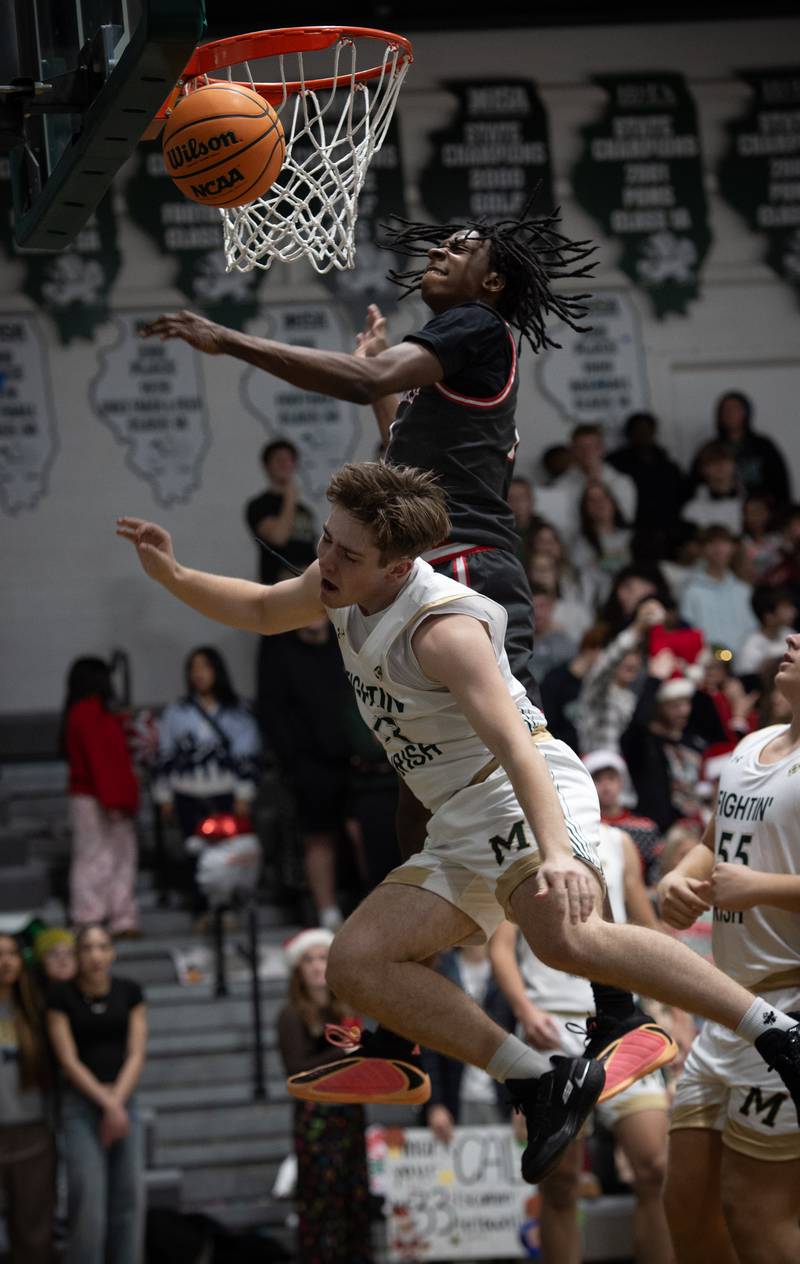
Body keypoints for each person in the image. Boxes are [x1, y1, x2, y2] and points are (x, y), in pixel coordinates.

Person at [118, 460, 800, 1186]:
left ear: (398, 566)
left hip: (519, 788)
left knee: (566, 935)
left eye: (347, 554)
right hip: (461, 813)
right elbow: (257, 608)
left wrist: (559, 855)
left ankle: (777, 1032)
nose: (326, 560)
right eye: (325, 541)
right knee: (357, 962)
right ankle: (536, 1082)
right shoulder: (338, 583)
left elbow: (515, 746)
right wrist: (172, 575)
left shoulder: (443, 630)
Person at [141, 205, 662, 1093]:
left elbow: (358, 380)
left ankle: (615, 1009)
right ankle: (404, 1016)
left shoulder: (471, 327)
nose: (442, 249)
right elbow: (397, 449)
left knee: (511, 758)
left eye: (462, 246)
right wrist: (386, 384)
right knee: (418, 805)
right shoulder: (448, 376)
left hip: (474, 583)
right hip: (443, 567)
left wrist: (229, 341)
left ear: (491, 283)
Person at [658, 646, 800, 1264]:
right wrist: (680, 878)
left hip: (788, 1009)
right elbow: (714, 842)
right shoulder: (752, 744)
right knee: (686, 1209)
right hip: (728, 1004)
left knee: (756, 1215)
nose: (791, 644)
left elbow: (746, 872)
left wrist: (761, 888)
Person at [491, 820, 673, 1264]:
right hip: (549, 1024)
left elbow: (649, 930)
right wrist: (525, 1010)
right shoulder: (518, 835)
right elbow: (501, 946)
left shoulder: (619, 842)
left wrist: (674, 1011)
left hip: (617, 1020)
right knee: (560, 1180)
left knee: (655, 1167)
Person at [259, 616, 369, 930]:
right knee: (319, 838)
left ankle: (372, 901)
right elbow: (273, 712)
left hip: (355, 758)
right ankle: (327, 912)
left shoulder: (344, 645)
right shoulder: (281, 654)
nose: (312, 619)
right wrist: (291, 761)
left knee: (362, 831)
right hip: (308, 764)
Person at [46, 923, 147, 1264]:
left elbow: (136, 1052)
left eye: (103, 947)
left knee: (129, 1197)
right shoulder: (61, 996)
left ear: (112, 952)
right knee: (87, 1200)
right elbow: (67, 1059)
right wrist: (106, 1105)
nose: (96, 955)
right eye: (87, 948)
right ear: (77, 955)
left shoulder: (130, 991)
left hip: (124, 1099)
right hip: (82, 1104)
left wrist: (117, 1103)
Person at [277, 928, 373, 1264]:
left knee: (355, 1201)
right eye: (309, 960)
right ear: (299, 971)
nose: (318, 966)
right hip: (316, 1120)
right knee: (322, 1206)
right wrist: (346, 1052)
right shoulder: (291, 1015)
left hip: (349, 1113)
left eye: (323, 958)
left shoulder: (345, 1010)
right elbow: (297, 1071)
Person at [153, 645, 261, 913]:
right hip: (187, 792)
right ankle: (201, 908)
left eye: (205, 667)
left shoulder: (237, 711)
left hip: (225, 792)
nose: (199, 674)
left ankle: (228, 908)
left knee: (230, 852)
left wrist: (244, 794)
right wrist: (164, 796)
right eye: (194, 668)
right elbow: (165, 754)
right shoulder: (176, 712)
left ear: (217, 671)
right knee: (194, 850)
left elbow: (247, 754)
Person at [61, 658, 140, 936]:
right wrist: (114, 799)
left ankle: (122, 917)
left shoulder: (99, 712)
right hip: (92, 796)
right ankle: (88, 918)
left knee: (122, 856)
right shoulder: (85, 712)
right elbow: (101, 762)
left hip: (108, 795)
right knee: (93, 857)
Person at [0, 933, 55, 1264]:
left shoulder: (37, 1012)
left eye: (11, 954)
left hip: (31, 1133)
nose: (4, 961)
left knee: (33, 1232)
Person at [577, 597, 666, 755]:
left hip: (624, 776)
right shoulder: (597, 688)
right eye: (627, 655)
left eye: (636, 655)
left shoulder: (631, 697)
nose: (631, 662)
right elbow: (609, 661)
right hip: (596, 773)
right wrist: (638, 627)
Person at [692, 390, 791, 507]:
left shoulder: (763, 446)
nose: (729, 414)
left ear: (746, 412)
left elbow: (779, 482)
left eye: (735, 409)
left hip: (761, 511)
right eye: (725, 410)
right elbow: (694, 483)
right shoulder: (710, 449)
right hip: (716, 508)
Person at [583, 750, 663, 888]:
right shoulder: (583, 827)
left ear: (621, 782)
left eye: (611, 778)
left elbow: (655, 874)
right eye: (598, 780)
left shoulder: (645, 828)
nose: (606, 786)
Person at [680, 525, 757, 659]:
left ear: (733, 548)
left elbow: (753, 629)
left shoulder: (744, 590)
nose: (718, 548)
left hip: (744, 661)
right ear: (702, 550)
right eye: (711, 543)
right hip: (709, 662)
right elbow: (688, 630)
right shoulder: (691, 590)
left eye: (724, 542)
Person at [551, 423, 637, 543]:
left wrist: (597, 483)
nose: (587, 453)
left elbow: (626, 519)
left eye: (592, 447)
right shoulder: (560, 486)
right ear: (573, 451)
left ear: (602, 449)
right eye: (581, 448)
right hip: (576, 548)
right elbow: (559, 526)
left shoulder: (622, 482)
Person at [681, 442, 744, 536]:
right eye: (712, 462)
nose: (720, 467)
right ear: (702, 469)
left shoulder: (748, 503)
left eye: (724, 460)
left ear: (734, 465)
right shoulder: (692, 510)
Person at [737, 585, 797, 678]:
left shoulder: (790, 633)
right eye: (785, 607)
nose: (793, 611)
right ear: (769, 616)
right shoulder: (750, 649)